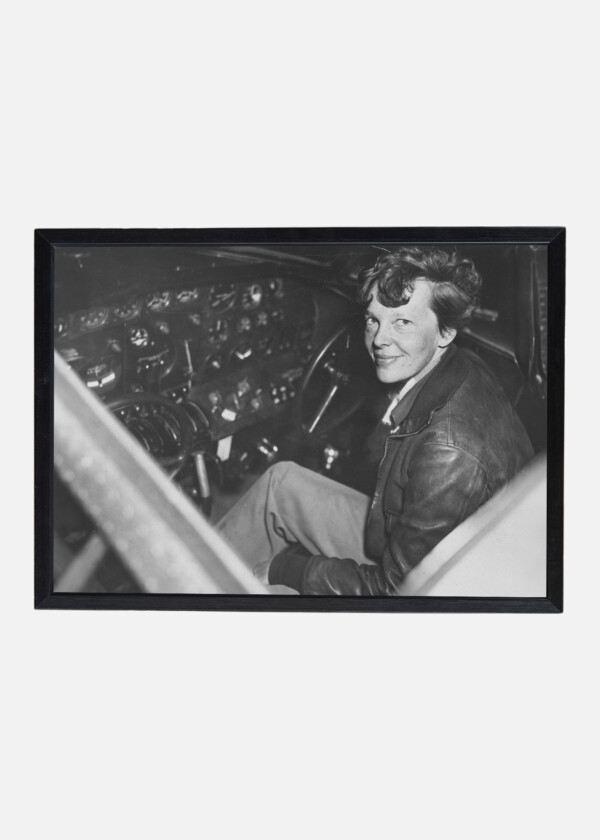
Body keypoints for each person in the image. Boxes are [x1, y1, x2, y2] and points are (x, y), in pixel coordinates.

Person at [217, 247, 534, 595]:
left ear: (445, 332)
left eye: (403, 322)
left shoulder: (448, 454)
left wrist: (286, 569)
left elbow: (397, 591)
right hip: (411, 538)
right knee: (281, 482)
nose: (380, 339)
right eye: (373, 319)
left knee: (269, 593)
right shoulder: (461, 364)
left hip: (447, 589)